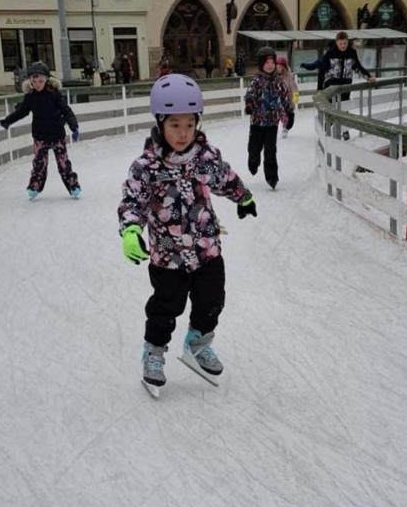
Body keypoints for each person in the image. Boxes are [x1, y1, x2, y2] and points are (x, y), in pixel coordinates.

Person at [118, 73, 257, 393]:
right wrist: (131, 230)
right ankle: (153, 353)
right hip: (168, 256)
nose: (183, 133)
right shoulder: (146, 167)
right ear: (160, 123)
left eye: (190, 124)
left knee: (212, 300)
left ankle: (198, 342)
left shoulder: (206, 157)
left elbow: (225, 177)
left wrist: (244, 197)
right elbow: (133, 201)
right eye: (175, 125)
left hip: (207, 248)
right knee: (166, 307)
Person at [0, 61, 81, 200]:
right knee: (39, 164)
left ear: (47, 79)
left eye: (41, 81)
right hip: (40, 137)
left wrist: (74, 126)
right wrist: (8, 120)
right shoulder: (30, 96)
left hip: (57, 135)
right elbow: (22, 111)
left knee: (63, 164)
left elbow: (66, 111)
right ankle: (35, 186)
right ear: (30, 81)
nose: (37, 84)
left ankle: (73, 186)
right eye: (34, 81)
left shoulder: (54, 94)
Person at [244, 47, 293, 188]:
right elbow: (250, 95)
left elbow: (285, 98)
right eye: (267, 63)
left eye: (272, 62)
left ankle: (272, 177)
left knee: (270, 151)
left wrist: (289, 112)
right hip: (257, 123)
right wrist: (249, 105)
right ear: (261, 64)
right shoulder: (256, 81)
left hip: (272, 123)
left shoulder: (278, 81)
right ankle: (253, 162)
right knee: (254, 149)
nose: (270, 65)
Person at [275, 55, 299, 137]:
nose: (278, 69)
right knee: (282, 115)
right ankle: (284, 127)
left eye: (280, 67)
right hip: (278, 100)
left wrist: (295, 99)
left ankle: (287, 127)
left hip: (288, 100)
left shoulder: (288, 77)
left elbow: (294, 88)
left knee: (290, 116)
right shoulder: (274, 77)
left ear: (284, 68)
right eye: (277, 67)